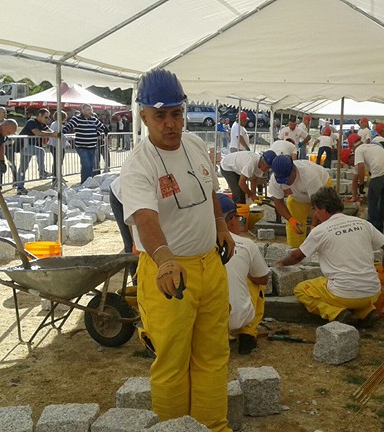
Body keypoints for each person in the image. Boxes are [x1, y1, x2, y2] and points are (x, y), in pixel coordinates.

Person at [120, 68, 235, 432]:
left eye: (176, 113)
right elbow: (144, 217)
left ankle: (212, 426)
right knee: (172, 360)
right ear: (143, 116)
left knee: (213, 355)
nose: (170, 123)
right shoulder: (140, 164)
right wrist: (166, 259)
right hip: (169, 274)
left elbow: (211, 192)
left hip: (209, 267)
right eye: (160, 115)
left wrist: (221, 226)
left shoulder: (196, 145)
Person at [276, 186, 384, 326]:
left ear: (324, 208)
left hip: (342, 295)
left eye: (315, 209)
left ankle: (337, 313)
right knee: (354, 293)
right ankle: (367, 312)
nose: (314, 213)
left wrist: (281, 263)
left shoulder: (320, 230)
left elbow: (296, 257)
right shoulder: (363, 224)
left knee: (302, 289)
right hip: (373, 293)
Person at [217, 193, 269, 355]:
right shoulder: (246, 244)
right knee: (255, 283)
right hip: (237, 316)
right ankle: (248, 332)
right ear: (231, 219)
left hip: (205, 320)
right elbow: (263, 278)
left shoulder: (193, 246)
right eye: (237, 218)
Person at [268, 155, 330, 247]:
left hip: (322, 188)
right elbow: (278, 202)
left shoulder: (309, 176)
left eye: (287, 179)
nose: (286, 183)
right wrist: (290, 219)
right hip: (299, 196)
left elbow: (318, 205)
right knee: (293, 222)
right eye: (282, 181)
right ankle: (295, 249)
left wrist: (313, 226)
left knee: (327, 220)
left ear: (294, 170)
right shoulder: (275, 180)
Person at [340, 143, 384, 233]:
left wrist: (361, 184)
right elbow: (355, 178)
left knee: (372, 200)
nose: (352, 165)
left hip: (379, 171)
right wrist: (354, 196)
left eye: (350, 163)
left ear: (351, 156)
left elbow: (361, 168)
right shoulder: (371, 147)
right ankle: (382, 225)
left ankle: (374, 227)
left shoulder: (358, 150)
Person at [63, 103, 110, 183]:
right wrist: (62, 132)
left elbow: (103, 127)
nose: (90, 111)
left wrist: (97, 133)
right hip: (81, 146)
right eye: (88, 110)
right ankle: (85, 182)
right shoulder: (76, 119)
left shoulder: (93, 119)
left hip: (92, 146)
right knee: (86, 164)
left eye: (90, 109)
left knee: (91, 165)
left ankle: (87, 181)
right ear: (82, 110)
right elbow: (69, 126)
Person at [16, 108, 57, 195]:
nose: (47, 119)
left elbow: (50, 131)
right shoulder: (31, 122)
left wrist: (56, 134)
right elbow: (37, 133)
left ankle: (20, 187)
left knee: (23, 168)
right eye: (46, 117)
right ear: (39, 115)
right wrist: (52, 134)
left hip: (30, 146)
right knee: (41, 151)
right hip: (23, 146)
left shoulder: (42, 123)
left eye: (48, 117)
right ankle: (42, 172)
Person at [109, 177, 137, 284]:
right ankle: (137, 288)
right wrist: (136, 243)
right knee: (134, 248)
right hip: (121, 197)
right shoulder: (136, 180)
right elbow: (133, 219)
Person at [0, 106, 17, 183]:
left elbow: (14, 133)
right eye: (4, 112)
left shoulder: (9, 122)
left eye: (5, 112)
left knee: (12, 163)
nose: (6, 113)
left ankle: (15, 180)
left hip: (9, 146)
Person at [48, 111, 70, 187]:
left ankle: (58, 176)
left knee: (58, 162)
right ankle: (56, 178)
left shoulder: (55, 124)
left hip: (56, 145)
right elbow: (61, 135)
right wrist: (70, 138)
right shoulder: (57, 125)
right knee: (57, 162)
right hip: (56, 146)